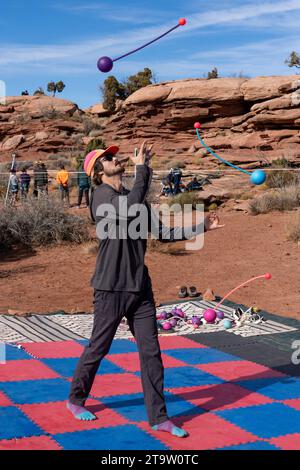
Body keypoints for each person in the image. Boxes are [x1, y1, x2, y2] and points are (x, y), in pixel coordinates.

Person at [67, 143, 224, 438]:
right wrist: (143, 170)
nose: (116, 158)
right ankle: (76, 398)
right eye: (108, 158)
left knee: (151, 353)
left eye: (114, 155)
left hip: (140, 289)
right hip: (110, 288)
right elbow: (128, 208)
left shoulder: (133, 197)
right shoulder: (101, 197)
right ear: (98, 172)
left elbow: (163, 234)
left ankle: (159, 417)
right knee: (98, 348)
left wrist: (201, 226)